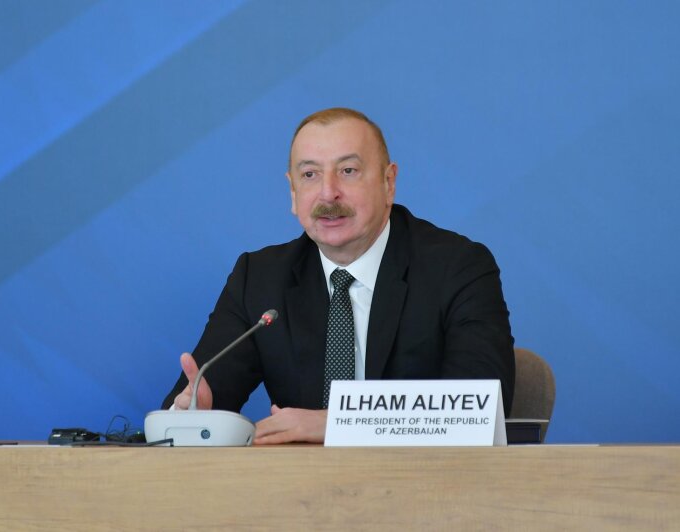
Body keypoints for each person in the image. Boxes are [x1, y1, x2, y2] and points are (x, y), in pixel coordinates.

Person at [162, 107, 514, 444]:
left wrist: (335, 423)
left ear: (388, 182)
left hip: (422, 480)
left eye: (348, 170)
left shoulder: (458, 268)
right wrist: (195, 416)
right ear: (292, 191)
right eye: (310, 175)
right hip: (300, 484)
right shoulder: (259, 279)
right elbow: (188, 411)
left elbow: (480, 412)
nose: (328, 193)